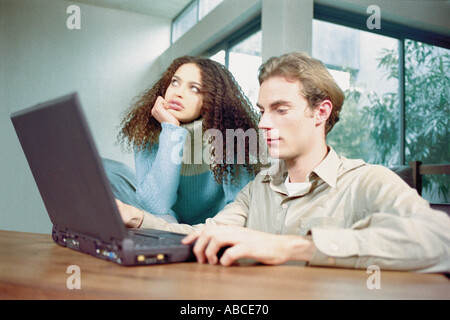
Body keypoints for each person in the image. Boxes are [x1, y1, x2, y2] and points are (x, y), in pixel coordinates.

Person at [117, 52, 450, 273]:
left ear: (321, 112)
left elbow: (441, 239)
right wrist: (138, 217)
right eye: (262, 111)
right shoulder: (257, 190)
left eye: (281, 109)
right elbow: (203, 233)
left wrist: (296, 247)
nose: (262, 124)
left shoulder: (367, 181)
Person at [117, 56, 260, 226]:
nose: (178, 92)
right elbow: (157, 206)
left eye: (194, 88)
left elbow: (238, 209)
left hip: (217, 232)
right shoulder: (147, 134)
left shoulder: (231, 138)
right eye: (175, 82)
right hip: (167, 230)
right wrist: (171, 130)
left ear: (212, 100)